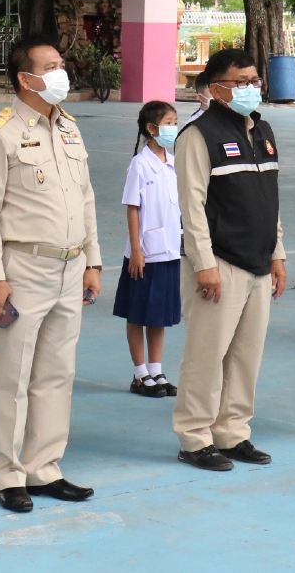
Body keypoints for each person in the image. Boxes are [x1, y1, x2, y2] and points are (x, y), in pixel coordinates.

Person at [0, 34, 102, 513]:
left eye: (61, 63)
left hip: (70, 266)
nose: (60, 72)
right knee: (14, 375)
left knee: (56, 373)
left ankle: (44, 467)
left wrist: (93, 260)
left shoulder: (68, 127)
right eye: (50, 66)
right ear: (26, 78)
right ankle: (7, 474)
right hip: (23, 267)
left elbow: (86, 198)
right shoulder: (0, 132)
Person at [173, 48, 287, 472]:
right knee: (206, 356)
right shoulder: (196, 136)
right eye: (240, 82)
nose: (250, 88)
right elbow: (192, 205)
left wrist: (278, 253)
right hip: (220, 263)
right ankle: (195, 438)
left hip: (259, 263)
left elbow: (270, 201)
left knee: (245, 356)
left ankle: (233, 432)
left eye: (254, 80)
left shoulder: (263, 129)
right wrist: (204, 264)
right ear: (216, 88)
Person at [113, 101, 183, 398]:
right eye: (168, 122)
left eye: (175, 121)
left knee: (160, 315)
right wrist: (137, 250)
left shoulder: (173, 161)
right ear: (151, 128)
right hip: (145, 252)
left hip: (169, 250)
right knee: (138, 313)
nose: (173, 127)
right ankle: (140, 373)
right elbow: (133, 208)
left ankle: (157, 369)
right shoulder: (140, 164)